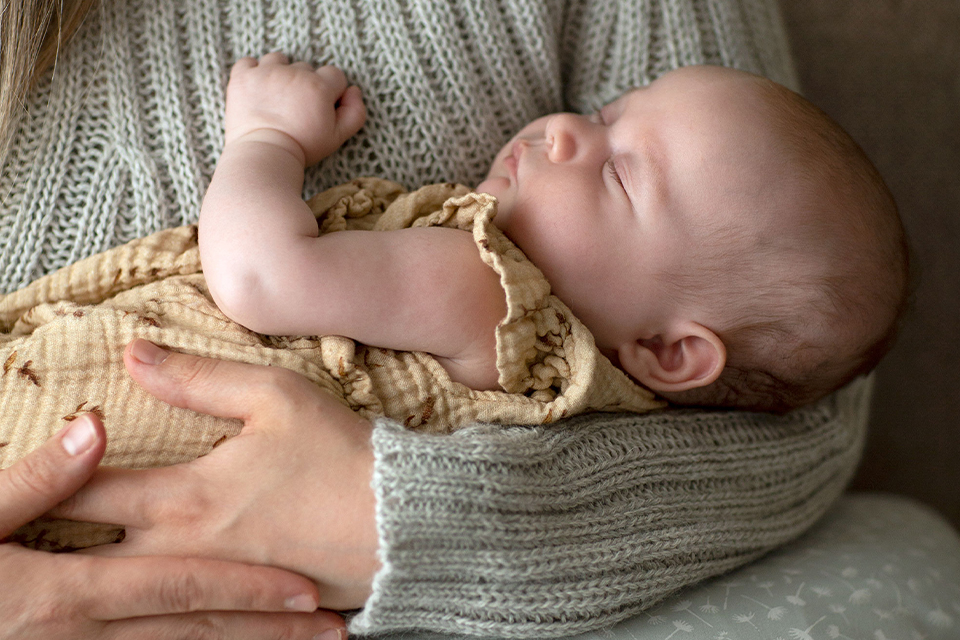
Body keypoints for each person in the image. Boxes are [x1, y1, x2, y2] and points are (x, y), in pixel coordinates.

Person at [0, 0, 889, 637]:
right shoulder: (564, 371)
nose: (563, 130)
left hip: (80, 434)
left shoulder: (484, 286)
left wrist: (266, 142)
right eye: (604, 112)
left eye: (618, 171)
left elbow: (262, 276)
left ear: (667, 350)